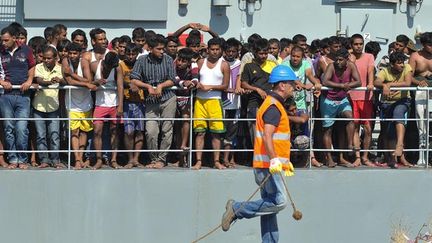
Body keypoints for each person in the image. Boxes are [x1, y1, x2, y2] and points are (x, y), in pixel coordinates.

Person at [221, 65, 296, 243]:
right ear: (282, 85)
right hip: (269, 165)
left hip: (265, 164)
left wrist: (284, 161)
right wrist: (275, 160)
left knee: (269, 209)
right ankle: (237, 209)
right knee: (279, 202)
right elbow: (268, 136)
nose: (294, 86)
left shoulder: (271, 104)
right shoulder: (273, 107)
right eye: (291, 83)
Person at [130, 34, 177, 169]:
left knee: (167, 130)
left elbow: (172, 79)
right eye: (159, 49)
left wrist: (161, 86)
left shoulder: (168, 59)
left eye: (163, 49)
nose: (162, 51)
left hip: (168, 98)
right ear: (150, 48)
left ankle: (162, 160)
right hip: (150, 101)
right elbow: (134, 79)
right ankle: (153, 159)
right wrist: (147, 86)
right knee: (151, 131)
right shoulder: (142, 60)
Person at [0, 26, 36, 169]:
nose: (3, 43)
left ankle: (22, 158)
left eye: (6, 40)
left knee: (21, 128)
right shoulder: (0, 51)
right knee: (8, 127)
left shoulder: (26, 50)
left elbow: (32, 66)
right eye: (2, 40)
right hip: (6, 95)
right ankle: (13, 159)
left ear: (14, 38)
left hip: (23, 95)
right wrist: (2, 82)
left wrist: (29, 81)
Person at [192, 37, 230, 170]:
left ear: (221, 51)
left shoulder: (224, 64)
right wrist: (196, 84)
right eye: (212, 49)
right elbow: (194, 78)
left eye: (217, 49)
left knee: (216, 133)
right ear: (207, 50)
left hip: (215, 101)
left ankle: (216, 161)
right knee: (200, 132)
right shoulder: (201, 62)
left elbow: (225, 85)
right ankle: (198, 161)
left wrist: (210, 87)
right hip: (200, 101)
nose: (214, 52)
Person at [321, 48, 361, 168]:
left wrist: (349, 85)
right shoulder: (331, 67)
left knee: (350, 117)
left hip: (342, 99)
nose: (338, 62)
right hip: (328, 100)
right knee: (328, 130)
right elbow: (325, 81)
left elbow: (358, 82)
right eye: (336, 59)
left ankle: (349, 145)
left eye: (340, 60)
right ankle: (329, 158)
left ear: (346, 59)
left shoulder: (351, 66)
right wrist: (341, 85)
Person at [374, 51, 413, 168]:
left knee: (398, 113)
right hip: (387, 103)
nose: (402, 65)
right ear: (392, 64)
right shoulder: (385, 71)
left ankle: (400, 145)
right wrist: (384, 85)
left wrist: (389, 84)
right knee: (387, 131)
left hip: (403, 101)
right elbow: (376, 81)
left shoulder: (407, 68)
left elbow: (407, 83)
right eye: (399, 63)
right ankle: (391, 159)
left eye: (402, 63)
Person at [62, 43, 96, 169]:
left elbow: (88, 80)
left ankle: (80, 157)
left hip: (86, 102)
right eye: (70, 53)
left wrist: (72, 73)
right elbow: (69, 81)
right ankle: (76, 159)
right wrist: (85, 83)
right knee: (74, 131)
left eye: (74, 53)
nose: (72, 56)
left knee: (84, 131)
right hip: (72, 102)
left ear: (79, 53)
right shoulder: (65, 61)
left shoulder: (84, 62)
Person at [33, 46, 66, 168]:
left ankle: (55, 160)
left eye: (49, 58)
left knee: (54, 135)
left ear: (55, 58)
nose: (46, 60)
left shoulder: (61, 68)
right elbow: (39, 80)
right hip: (39, 106)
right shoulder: (38, 67)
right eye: (45, 58)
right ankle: (44, 160)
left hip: (54, 107)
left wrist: (60, 80)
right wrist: (49, 82)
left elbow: (66, 81)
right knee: (40, 135)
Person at [90, 51, 124, 169]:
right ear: (104, 62)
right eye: (108, 66)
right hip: (100, 104)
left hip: (114, 104)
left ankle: (113, 159)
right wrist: (96, 82)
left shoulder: (117, 67)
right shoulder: (94, 65)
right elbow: (88, 82)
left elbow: (120, 86)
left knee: (115, 132)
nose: (110, 68)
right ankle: (99, 160)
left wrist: (120, 105)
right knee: (97, 131)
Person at [241, 38, 277, 145]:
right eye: (261, 53)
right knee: (254, 129)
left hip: (270, 102)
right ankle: (256, 156)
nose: (263, 56)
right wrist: (257, 89)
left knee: (270, 128)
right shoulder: (248, 66)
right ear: (255, 53)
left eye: (265, 53)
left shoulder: (273, 65)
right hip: (253, 102)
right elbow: (244, 84)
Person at [348, 34, 377, 167]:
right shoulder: (348, 57)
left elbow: (370, 71)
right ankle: (358, 157)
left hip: (366, 97)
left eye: (361, 44)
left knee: (368, 128)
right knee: (354, 128)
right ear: (351, 45)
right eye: (356, 44)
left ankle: (365, 157)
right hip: (352, 96)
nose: (359, 46)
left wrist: (370, 84)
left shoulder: (369, 57)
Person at [120, 43, 146, 169]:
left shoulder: (140, 63)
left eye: (133, 54)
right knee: (129, 132)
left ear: (137, 54)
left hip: (140, 101)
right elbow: (118, 81)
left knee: (140, 131)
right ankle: (130, 159)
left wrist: (138, 85)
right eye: (128, 54)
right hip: (126, 102)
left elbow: (146, 79)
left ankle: (136, 159)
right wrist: (129, 84)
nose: (131, 56)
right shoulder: (121, 65)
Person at [409, 32, 432, 165]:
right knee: (421, 123)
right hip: (421, 92)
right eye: (430, 45)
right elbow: (409, 76)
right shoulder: (415, 56)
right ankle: (421, 156)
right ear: (423, 45)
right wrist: (419, 82)